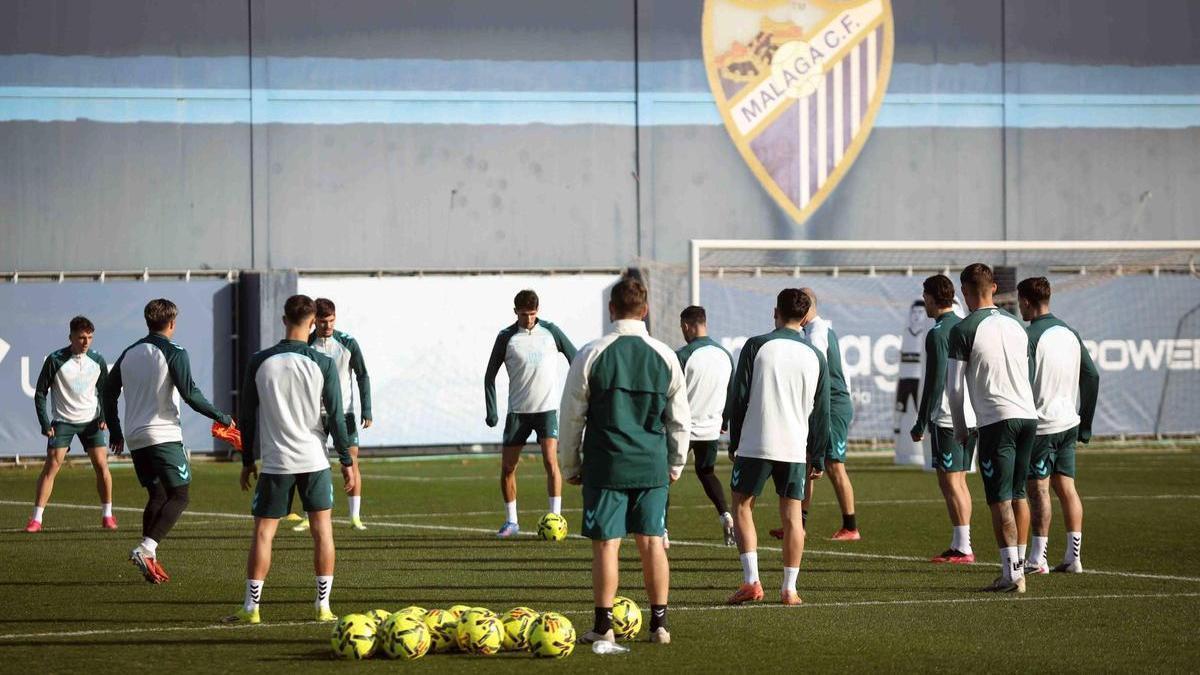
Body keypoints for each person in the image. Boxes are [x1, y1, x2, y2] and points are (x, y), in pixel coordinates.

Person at [559, 277, 689, 645]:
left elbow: (571, 416)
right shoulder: (665, 355)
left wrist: (569, 464)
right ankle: (659, 625)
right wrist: (676, 463)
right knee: (652, 543)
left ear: (611, 309)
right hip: (651, 465)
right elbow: (679, 418)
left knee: (606, 544)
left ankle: (604, 626)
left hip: (606, 464)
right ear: (645, 311)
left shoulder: (592, 353)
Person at [224, 294, 356, 625]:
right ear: (312, 323)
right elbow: (337, 418)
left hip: (275, 462)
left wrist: (246, 461)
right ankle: (323, 607)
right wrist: (347, 461)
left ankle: (251, 609)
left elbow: (247, 416)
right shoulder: (322, 362)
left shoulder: (259, 360)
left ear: (284, 319)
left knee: (264, 533)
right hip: (314, 459)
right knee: (322, 531)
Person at [104, 298, 235, 584]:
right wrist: (222, 416)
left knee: (158, 495)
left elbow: (107, 393)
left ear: (147, 321)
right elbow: (190, 393)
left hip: (136, 438)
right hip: (162, 434)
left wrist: (115, 431)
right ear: (172, 323)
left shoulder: (129, 352)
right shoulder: (174, 351)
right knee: (180, 495)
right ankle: (146, 548)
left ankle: (148, 557)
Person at [727, 289, 830, 606]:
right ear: (805, 316)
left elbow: (739, 398)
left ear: (776, 312)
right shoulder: (815, 355)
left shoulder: (757, 345)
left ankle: (752, 582)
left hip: (756, 442)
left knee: (743, 507)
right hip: (795, 447)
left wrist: (734, 442)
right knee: (793, 517)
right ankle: (789, 589)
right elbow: (821, 410)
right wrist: (819, 454)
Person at [946, 264, 1038, 593]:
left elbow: (954, 388)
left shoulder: (963, 329)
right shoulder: (1016, 325)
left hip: (996, 420)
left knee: (999, 499)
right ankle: (1021, 566)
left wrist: (959, 427)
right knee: (1018, 494)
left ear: (965, 292)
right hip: (1028, 416)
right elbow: (1029, 372)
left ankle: (1011, 574)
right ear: (995, 288)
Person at [1017, 277, 1099, 574]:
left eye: (1019, 302)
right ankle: (1073, 557)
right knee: (1066, 488)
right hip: (1068, 423)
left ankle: (1038, 558)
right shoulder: (1070, 332)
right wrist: (1085, 423)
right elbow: (1092, 377)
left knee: (1037, 489)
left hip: (1041, 425)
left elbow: (1023, 383)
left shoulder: (1029, 336)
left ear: (1026, 301)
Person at [484, 289, 577, 537]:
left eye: (533, 314)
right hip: (518, 413)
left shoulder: (551, 332)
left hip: (546, 410)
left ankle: (556, 517)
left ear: (538, 311)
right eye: (524, 314)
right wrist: (491, 410)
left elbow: (576, 358)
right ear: (515, 312)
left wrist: (577, 396)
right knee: (508, 468)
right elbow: (489, 376)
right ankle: (511, 521)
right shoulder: (506, 337)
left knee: (550, 461)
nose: (529, 319)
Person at [770, 288, 856, 541]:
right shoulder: (817, 331)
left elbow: (816, 371)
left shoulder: (817, 333)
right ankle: (799, 524)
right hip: (827, 404)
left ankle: (851, 526)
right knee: (809, 462)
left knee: (833, 465)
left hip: (830, 405)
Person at [910, 275, 978, 563]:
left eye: (924, 296)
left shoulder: (938, 333)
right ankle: (959, 542)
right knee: (959, 481)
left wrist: (921, 421)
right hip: (972, 414)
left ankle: (964, 547)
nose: (923, 302)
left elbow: (935, 382)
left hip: (949, 417)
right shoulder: (964, 325)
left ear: (930, 297)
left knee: (951, 483)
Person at [27, 315, 116, 532]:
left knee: (102, 466)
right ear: (71, 337)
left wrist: (103, 416)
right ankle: (36, 519)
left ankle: (107, 515)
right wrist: (45, 422)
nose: (86, 342)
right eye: (81, 337)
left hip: (91, 421)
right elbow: (40, 392)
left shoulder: (97, 360)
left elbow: (105, 392)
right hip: (63, 422)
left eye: (90, 337)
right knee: (52, 466)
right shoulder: (55, 360)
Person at [292, 297, 372, 532]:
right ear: (314, 320)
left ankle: (355, 517)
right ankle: (308, 516)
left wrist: (366, 409)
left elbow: (362, 375)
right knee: (310, 464)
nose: (327, 326)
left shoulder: (348, 343)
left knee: (351, 462)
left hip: (343, 413)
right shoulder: (305, 343)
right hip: (313, 413)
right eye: (323, 321)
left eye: (331, 321)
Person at [674, 306, 736, 546]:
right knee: (706, 472)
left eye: (683, 328)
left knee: (664, 478)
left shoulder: (684, 355)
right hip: (711, 428)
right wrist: (725, 421)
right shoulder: (724, 354)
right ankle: (726, 515)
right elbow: (732, 392)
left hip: (683, 428)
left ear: (688, 326)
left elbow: (669, 393)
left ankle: (661, 532)